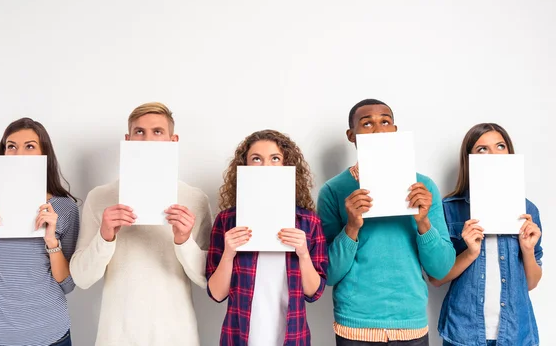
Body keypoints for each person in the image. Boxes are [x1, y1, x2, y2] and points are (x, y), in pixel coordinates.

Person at [69, 102, 212, 346]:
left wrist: (183, 240)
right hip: (116, 336)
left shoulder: (195, 199)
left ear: (172, 140)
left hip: (177, 336)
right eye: (139, 132)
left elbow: (208, 279)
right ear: (128, 139)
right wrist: (105, 237)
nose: (147, 139)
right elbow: (81, 278)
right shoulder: (100, 197)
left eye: (157, 132)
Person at [318, 99, 455, 346]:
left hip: (410, 323)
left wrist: (423, 223)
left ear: (394, 130)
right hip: (355, 325)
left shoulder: (424, 188)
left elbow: (442, 268)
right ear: (352, 135)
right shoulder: (333, 191)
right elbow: (328, 274)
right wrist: (351, 227)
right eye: (367, 123)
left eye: (385, 122)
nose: (378, 129)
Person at [206, 129, 328, 346]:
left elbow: (314, 292)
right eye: (256, 159)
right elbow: (216, 294)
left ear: (287, 165)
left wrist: (303, 254)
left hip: (292, 339)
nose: (266, 166)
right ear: (243, 166)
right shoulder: (226, 221)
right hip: (238, 339)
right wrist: (228, 254)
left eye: (275, 158)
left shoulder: (308, 222)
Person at [0, 117, 79, 346]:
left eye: (30, 146)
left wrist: (51, 240)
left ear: (43, 155)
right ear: (3, 153)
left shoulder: (64, 209)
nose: (18, 154)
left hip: (50, 336)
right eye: (11, 146)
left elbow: (67, 284)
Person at [431, 123, 543, 346]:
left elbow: (531, 283)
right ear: (469, 159)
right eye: (482, 149)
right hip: (463, 333)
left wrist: (528, 250)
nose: (493, 154)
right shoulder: (449, 208)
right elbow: (435, 278)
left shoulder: (528, 210)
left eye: (500, 146)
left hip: (516, 334)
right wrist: (470, 253)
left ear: (509, 152)